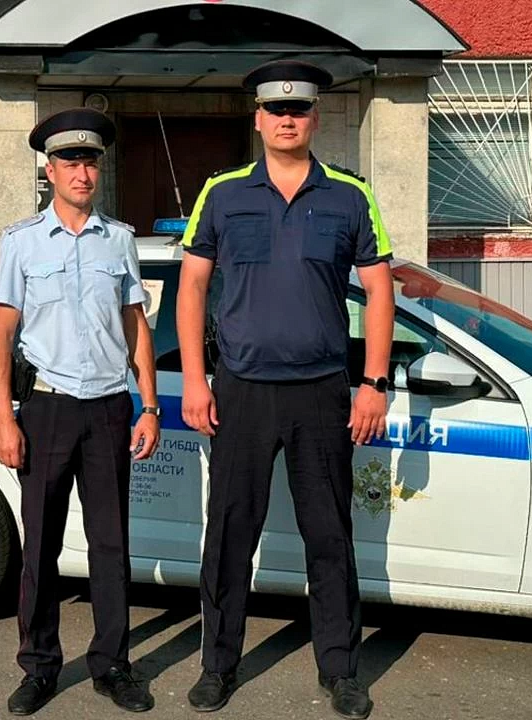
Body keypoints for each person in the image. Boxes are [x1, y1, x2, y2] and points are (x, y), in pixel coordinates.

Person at [175, 60, 396, 720]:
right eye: (276, 110)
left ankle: (341, 670)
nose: (287, 119)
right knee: (229, 534)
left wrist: (374, 383)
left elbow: (380, 291)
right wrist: (195, 379)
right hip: (240, 391)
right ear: (259, 119)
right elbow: (190, 287)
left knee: (328, 535)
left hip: (322, 393)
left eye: (298, 110)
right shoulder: (222, 193)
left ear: (315, 119)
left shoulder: (351, 196)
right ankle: (218, 665)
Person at [0, 107, 162, 716]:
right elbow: (2, 333)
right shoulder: (21, 242)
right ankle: (39, 667)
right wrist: (5, 418)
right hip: (48, 408)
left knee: (111, 545)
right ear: (50, 170)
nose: (81, 172)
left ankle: (112, 665)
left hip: (109, 407)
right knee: (40, 544)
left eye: (90, 162)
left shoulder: (120, 239)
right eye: (69, 162)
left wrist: (148, 406)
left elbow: (135, 324)